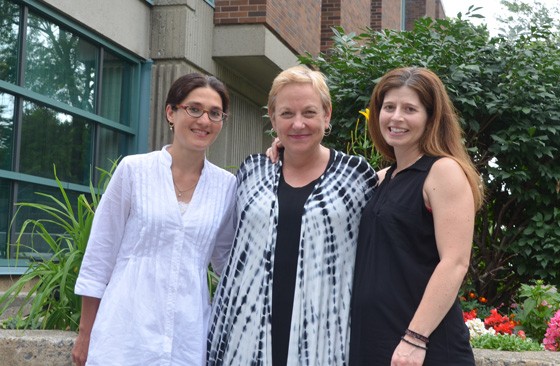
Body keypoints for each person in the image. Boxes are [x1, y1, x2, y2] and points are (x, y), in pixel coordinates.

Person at [207, 65, 377, 366]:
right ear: (273, 119)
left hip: (325, 331)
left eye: (309, 113)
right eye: (286, 114)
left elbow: (393, 203)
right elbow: (231, 250)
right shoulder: (253, 171)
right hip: (246, 331)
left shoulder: (356, 176)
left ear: (327, 115)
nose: (298, 124)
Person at [71, 73, 237, 366]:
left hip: (188, 336)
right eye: (194, 109)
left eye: (215, 113)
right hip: (124, 333)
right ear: (171, 112)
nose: (204, 121)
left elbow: (228, 263)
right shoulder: (134, 171)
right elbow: (100, 254)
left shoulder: (227, 187)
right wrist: (85, 333)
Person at [348, 67, 485, 366]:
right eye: (389, 107)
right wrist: (287, 151)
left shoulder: (443, 171)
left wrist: (415, 338)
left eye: (410, 109)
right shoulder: (381, 178)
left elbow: (455, 262)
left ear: (430, 118)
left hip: (422, 348)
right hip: (373, 341)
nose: (396, 117)